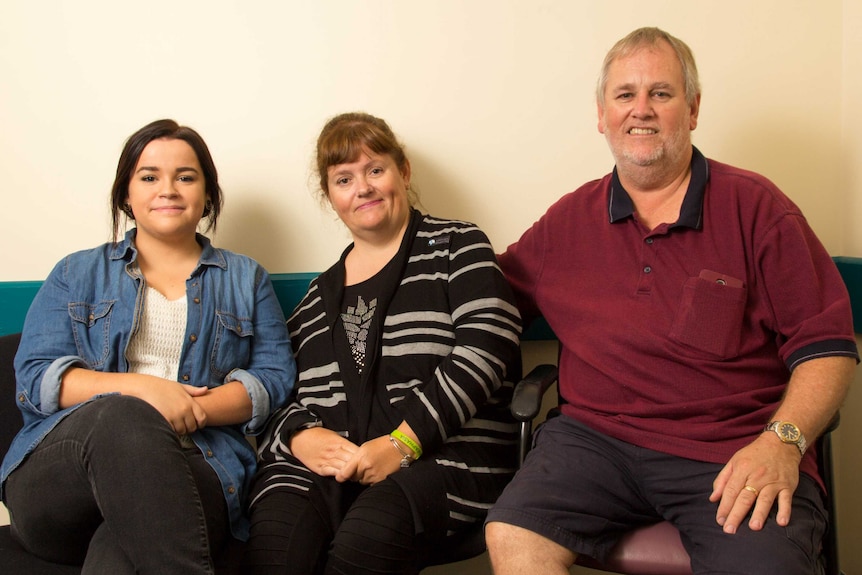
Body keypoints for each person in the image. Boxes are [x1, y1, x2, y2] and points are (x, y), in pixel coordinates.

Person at [484, 27, 858, 575]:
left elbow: (827, 348)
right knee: (513, 535)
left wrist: (783, 442)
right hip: (594, 443)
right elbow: (487, 304)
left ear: (693, 108)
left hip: (731, 449)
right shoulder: (568, 221)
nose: (642, 110)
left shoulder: (758, 209)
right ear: (601, 113)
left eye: (661, 93)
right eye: (624, 95)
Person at [0, 119, 296, 574]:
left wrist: (193, 410)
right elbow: (36, 378)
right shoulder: (75, 272)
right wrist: (145, 391)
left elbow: (274, 378)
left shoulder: (245, 278)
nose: (169, 189)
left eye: (186, 176)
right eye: (150, 176)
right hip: (63, 484)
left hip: (199, 461)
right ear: (126, 194)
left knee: (119, 551)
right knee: (124, 413)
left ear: (208, 194)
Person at [243, 112, 522, 575]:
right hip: (331, 467)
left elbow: (486, 348)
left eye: (376, 170)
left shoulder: (458, 247)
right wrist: (300, 436)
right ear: (331, 197)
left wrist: (401, 445)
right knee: (275, 547)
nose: (363, 188)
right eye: (344, 179)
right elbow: (279, 391)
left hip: (444, 457)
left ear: (403, 171)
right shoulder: (315, 298)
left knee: (361, 546)